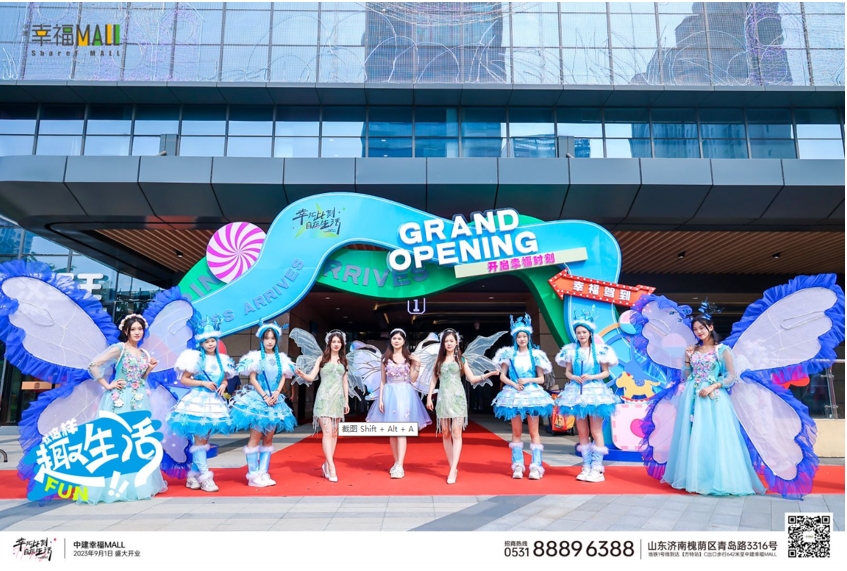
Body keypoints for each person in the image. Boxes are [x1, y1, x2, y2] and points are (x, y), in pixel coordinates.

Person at [662, 314, 766, 496]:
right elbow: (687, 376)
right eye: (695, 329)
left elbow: (731, 376)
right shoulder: (693, 349)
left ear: (710, 327)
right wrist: (687, 358)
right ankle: (693, 477)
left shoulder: (722, 350)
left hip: (712, 397)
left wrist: (713, 386)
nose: (699, 332)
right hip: (692, 396)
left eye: (702, 328)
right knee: (692, 435)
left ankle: (714, 478)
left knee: (712, 435)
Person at [86, 314, 167, 503]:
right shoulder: (119, 348)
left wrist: (149, 369)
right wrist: (107, 385)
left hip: (139, 399)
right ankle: (114, 487)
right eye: (133, 329)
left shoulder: (144, 353)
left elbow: (141, 379)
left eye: (140, 329)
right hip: (120, 398)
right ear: (126, 331)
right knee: (118, 439)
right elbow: (94, 365)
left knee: (138, 440)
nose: (137, 332)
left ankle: (137, 486)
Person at [167, 315, 236, 493]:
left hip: (214, 402)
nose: (210, 344)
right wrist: (203, 383)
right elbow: (184, 379)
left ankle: (192, 476)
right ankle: (206, 478)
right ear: (202, 344)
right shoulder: (195, 359)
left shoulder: (222, 360)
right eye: (207, 342)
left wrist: (223, 384)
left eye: (213, 341)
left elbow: (224, 379)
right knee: (200, 440)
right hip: (197, 402)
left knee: (204, 440)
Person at [425, 328, 499, 484]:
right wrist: (429, 397)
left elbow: (472, 379)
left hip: (458, 399)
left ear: (456, 342)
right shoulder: (439, 360)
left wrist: (489, 374)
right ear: (443, 343)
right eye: (446, 341)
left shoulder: (461, 359)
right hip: (443, 399)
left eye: (451, 341)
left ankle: (453, 469)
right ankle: (452, 466)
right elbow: (433, 380)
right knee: (445, 433)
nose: (449, 343)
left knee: (456, 432)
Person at [555, 308, 620, 483]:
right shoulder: (570, 351)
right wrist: (573, 377)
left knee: (596, 431)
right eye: (578, 333)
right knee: (582, 432)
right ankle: (586, 466)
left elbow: (606, 372)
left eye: (584, 332)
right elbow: (567, 372)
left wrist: (591, 376)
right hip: (577, 393)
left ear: (590, 333)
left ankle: (597, 468)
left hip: (595, 392)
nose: (581, 335)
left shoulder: (601, 350)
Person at [230, 321, 297, 488]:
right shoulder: (255, 357)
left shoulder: (282, 359)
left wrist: (277, 393)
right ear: (262, 339)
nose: (270, 341)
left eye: (272, 338)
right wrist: (265, 396)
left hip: (275, 400)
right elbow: (252, 379)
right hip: (259, 400)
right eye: (267, 338)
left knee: (268, 439)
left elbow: (283, 377)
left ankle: (263, 472)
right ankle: (253, 475)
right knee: (255, 438)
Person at [491, 314, 554, 480]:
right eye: (519, 336)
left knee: (534, 431)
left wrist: (527, 380)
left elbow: (541, 379)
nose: (522, 339)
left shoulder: (536, 355)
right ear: (515, 338)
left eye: (524, 336)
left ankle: (536, 466)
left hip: (532, 395)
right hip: (514, 395)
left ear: (528, 337)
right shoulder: (508, 355)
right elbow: (502, 376)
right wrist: (513, 384)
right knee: (516, 431)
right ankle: (518, 465)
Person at [366, 328, 431, 479]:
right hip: (389, 394)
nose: (396, 341)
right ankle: (396, 462)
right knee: (392, 432)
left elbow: (413, 379)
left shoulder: (409, 358)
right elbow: (383, 381)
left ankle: (400, 465)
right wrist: (380, 399)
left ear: (404, 341)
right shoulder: (385, 359)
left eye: (399, 338)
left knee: (401, 431)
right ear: (391, 340)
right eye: (394, 338)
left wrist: (417, 364)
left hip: (405, 394)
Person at [295, 329, 350, 483]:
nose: (336, 344)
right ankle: (331, 466)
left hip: (338, 399)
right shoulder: (322, 359)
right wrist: (303, 375)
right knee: (327, 432)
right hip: (324, 398)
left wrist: (346, 401)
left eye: (339, 342)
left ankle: (326, 463)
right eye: (334, 342)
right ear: (329, 343)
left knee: (334, 433)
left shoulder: (344, 361)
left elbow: (345, 382)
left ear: (342, 344)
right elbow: (312, 377)